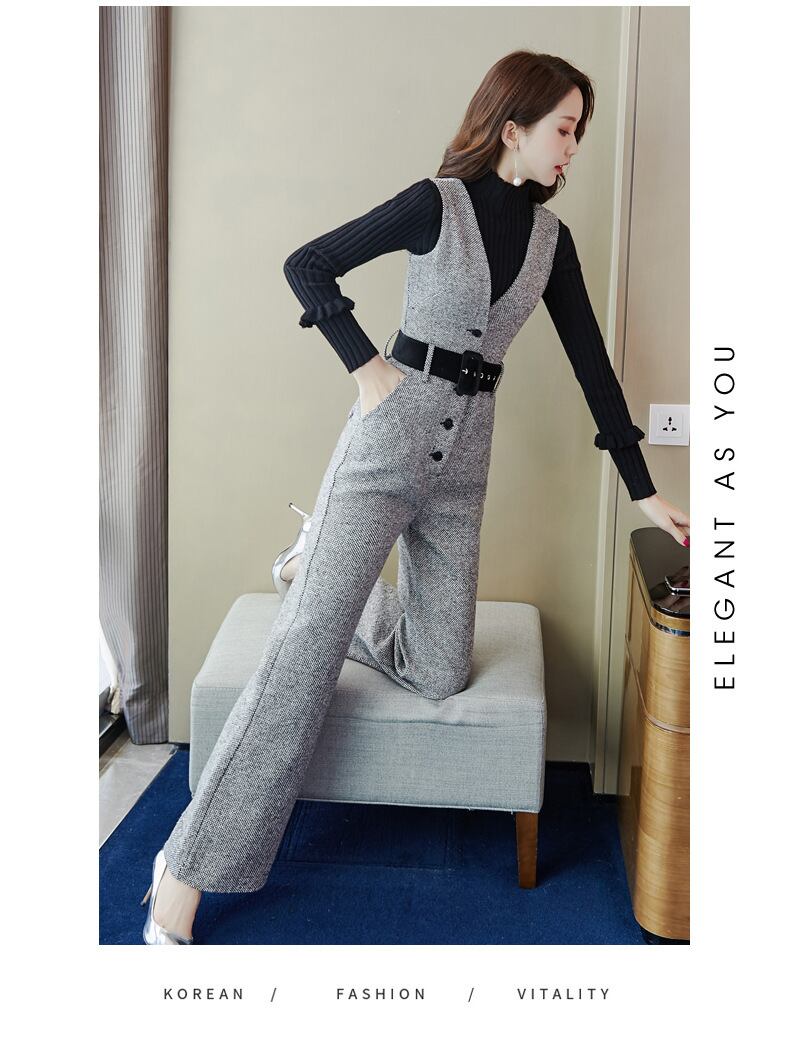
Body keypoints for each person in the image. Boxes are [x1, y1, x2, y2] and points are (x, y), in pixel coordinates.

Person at [141, 49, 690, 944]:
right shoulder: (438, 203)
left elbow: (591, 358)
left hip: (463, 468)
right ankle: (188, 868)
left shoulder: (551, 242)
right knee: (306, 653)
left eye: (579, 133)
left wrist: (643, 488)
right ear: (513, 127)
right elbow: (309, 263)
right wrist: (365, 366)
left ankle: (311, 563)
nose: (572, 148)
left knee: (440, 670)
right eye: (564, 129)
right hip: (385, 444)